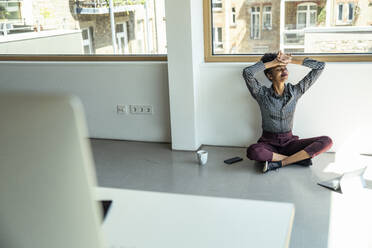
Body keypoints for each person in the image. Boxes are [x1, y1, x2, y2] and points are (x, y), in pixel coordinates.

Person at [242, 51, 333, 173]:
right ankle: (298, 160)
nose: (284, 70)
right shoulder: (261, 94)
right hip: (268, 144)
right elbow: (247, 72)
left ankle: (280, 163)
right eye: (278, 69)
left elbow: (320, 66)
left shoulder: (296, 91)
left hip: (290, 143)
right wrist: (272, 62)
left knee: (326, 141)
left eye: (285, 68)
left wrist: (290, 60)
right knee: (253, 151)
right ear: (270, 76)